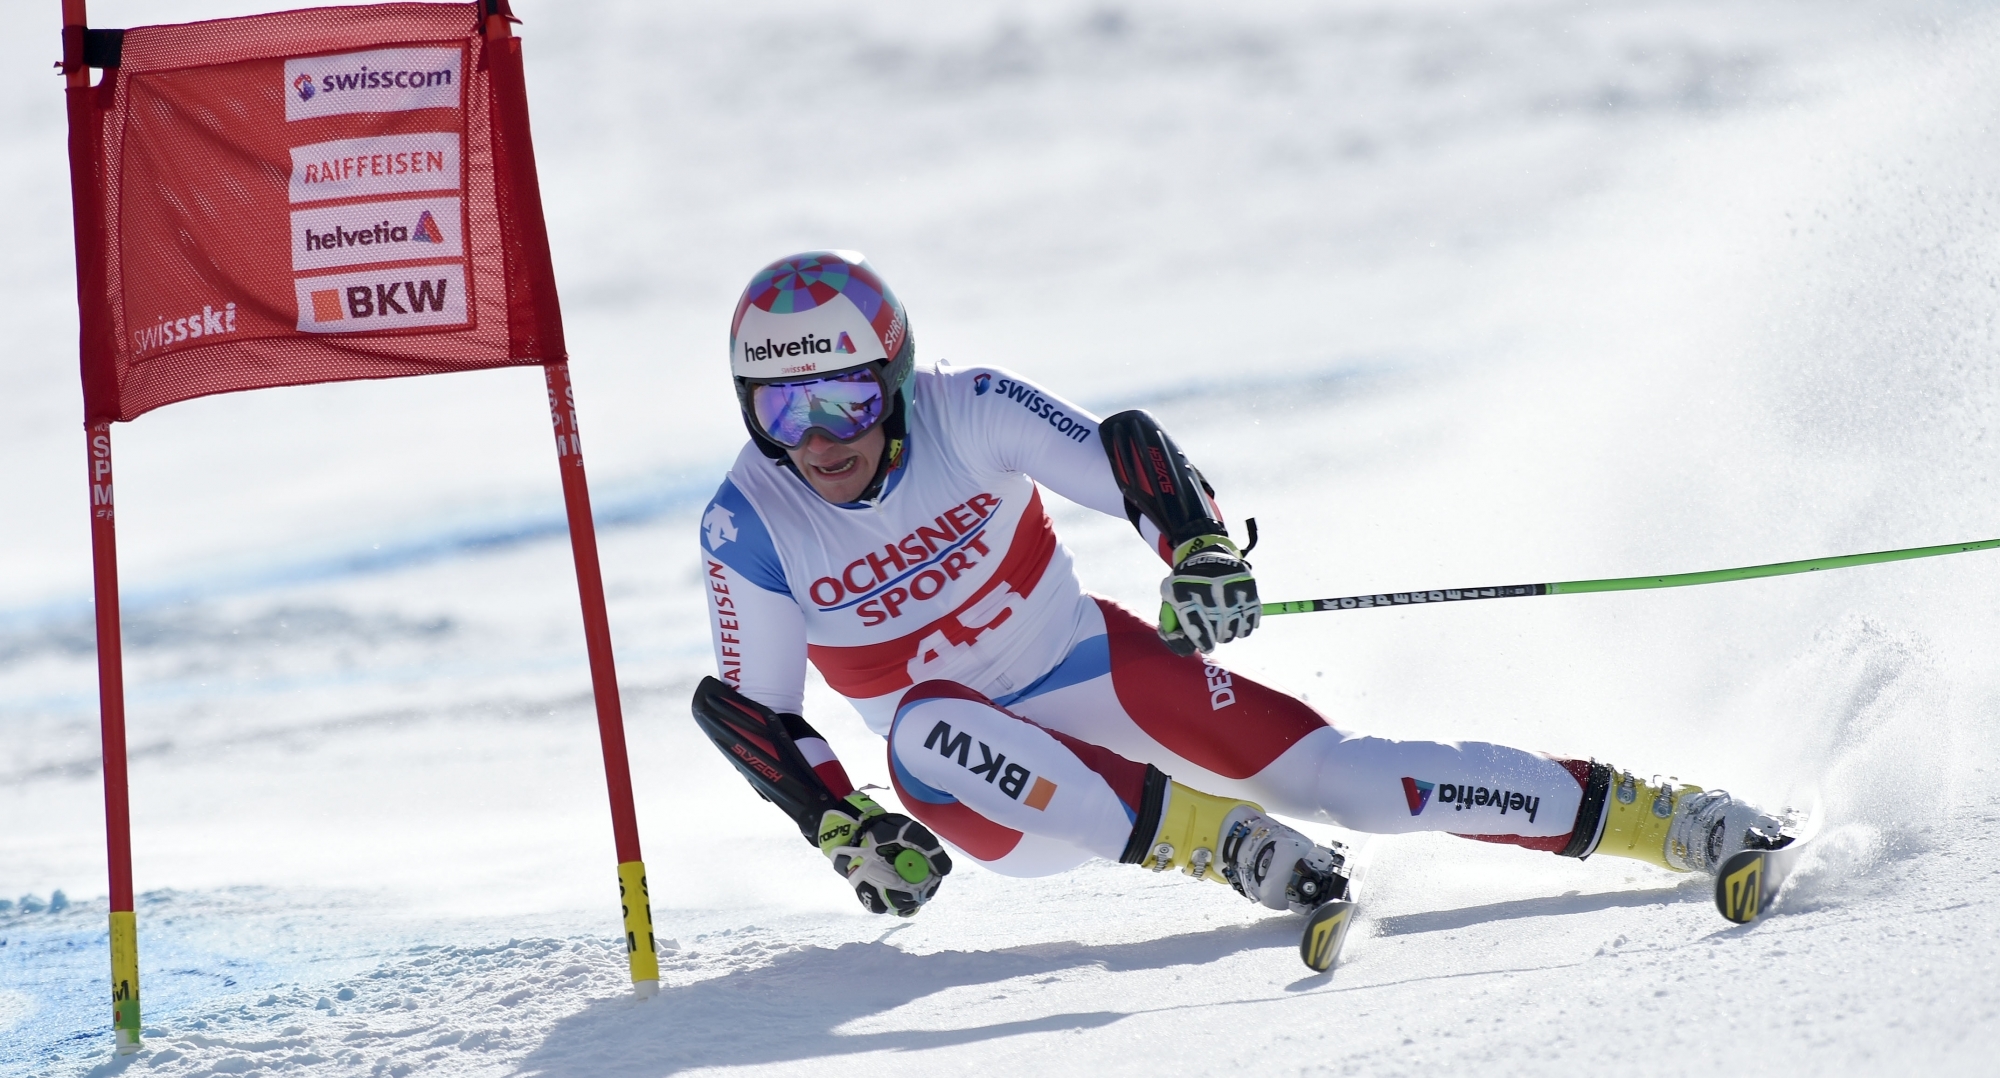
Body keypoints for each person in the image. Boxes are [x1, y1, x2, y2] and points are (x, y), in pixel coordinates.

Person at [692, 251, 1785, 920]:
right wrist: (841, 825)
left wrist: (1199, 551)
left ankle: (1671, 820)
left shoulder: (964, 405)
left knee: (1342, 777)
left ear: (889, 379)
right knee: (924, 725)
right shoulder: (751, 520)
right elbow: (757, 711)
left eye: (839, 397)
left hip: (1099, 676)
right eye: (781, 410)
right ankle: (1225, 847)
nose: (818, 438)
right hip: (995, 798)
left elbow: (1122, 456)